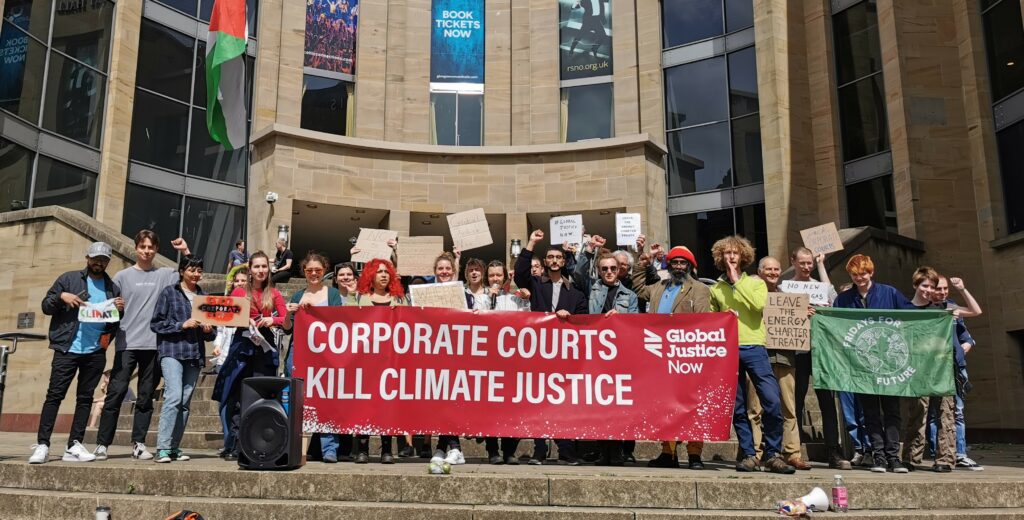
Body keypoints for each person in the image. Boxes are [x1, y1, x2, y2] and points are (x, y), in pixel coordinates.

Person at [94, 231, 190, 462]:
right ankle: (102, 444)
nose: (147, 251)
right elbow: (106, 307)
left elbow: (189, 272)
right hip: (127, 343)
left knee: (146, 397)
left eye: (151, 247)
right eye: (143, 246)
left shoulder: (165, 274)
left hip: (154, 345)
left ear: (156, 250)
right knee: (115, 393)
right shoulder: (121, 277)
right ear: (136, 248)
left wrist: (185, 251)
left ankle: (139, 443)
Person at [30, 242, 124, 464]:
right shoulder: (69, 279)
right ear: (87, 258)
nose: (99, 262)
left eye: (103, 259)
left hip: (94, 352)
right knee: (54, 395)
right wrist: (62, 296)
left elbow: (113, 323)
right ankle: (43, 444)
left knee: (85, 399)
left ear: (108, 262)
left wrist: (118, 313)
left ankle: (74, 445)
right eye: (95, 258)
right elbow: (46, 306)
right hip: (67, 348)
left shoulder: (113, 288)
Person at [708, 235, 795, 475]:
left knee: (772, 400)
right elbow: (712, 321)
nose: (731, 257)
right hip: (728, 351)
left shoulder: (756, 283)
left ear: (743, 256)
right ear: (720, 257)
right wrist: (722, 316)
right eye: (727, 253)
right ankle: (748, 454)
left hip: (754, 347)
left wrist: (737, 281)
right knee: (738, 407)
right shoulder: (715, 289)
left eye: (735, 253)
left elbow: (757, 306)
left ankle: (773, 453)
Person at [632, 243, 711, 470]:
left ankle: (694, 454)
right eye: (674, 262)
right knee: (665, 406)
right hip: (660, 356)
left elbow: (702, 322)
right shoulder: (659, 286)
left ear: (690, 266)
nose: (678, 266)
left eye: (682, 263)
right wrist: (642, 263)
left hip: (686, 357)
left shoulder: (699, 289)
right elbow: (638, 288)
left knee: (692, 405)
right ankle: (668, 452)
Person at [833, 254, 915, 473]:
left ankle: (893, 457)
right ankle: (878, 456)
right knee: (869, 412)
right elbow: (835, 325)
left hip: (890, 365)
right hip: (861, 365)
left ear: (871, 272)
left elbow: (912, 316)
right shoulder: (844, 299)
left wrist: (939, 315)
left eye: (863, 273)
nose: (859, 278)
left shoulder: (889, 292)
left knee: (891, 410)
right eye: (855, 274)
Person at [514, 229, 588, 465]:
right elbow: (519, 274)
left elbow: (585, 322)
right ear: (545, 262)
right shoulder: (535, 284)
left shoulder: (575, 293)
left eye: (558, 258)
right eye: (550, 258)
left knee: (562, 405)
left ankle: (565, 449)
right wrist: (531, 243)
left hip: (565, 358)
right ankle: (539, 449)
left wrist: (571, 319)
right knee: (538, 403)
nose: (554, 261)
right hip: (538, 354)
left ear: (564, 261)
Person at [777, 247, 850, 470]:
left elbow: (834, 298)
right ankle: (793, 450)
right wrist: (800, 311)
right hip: (797, 351)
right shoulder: (784, 288)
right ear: (793, 262)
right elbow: (780, 313)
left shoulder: (821, 287)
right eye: (803, 263)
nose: (807, 267)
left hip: (822, 351)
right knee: (795, 402)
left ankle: (833, 452)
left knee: (827, 402)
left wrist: (821, 263)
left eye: (810, 263)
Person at [213, 251, 287, 461]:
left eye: (264, 266)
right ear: (250, 269)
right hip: (241, 345)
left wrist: (272, 321)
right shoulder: (238, 292)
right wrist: (245, 320)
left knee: (261, 397)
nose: (261, 270)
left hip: (264, 347)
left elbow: (284, 317)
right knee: (236, 396)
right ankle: (235, 444)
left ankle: (257, 443)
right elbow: (227, 317)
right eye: (257, 267)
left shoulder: (274, 293)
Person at [742, 256, 812, 470]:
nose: (772, 272)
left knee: (788, 406)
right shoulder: (752, 295)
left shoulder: (787, 297)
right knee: (755, 408)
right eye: (768, 269)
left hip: (784, 356)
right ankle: (756, 452)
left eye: (776, 269)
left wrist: (803, 314)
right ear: (760, 271)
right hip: (757, 356)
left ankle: (792, 452)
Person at [573, 234, 638, 466]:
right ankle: (603, 451)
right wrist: (589, 250)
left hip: (619, 357)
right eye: (605, 269)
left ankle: (618, 451)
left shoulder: (629, 296)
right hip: (595, 355)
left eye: (613, 268)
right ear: (599, 271)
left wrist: (622, 319)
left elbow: (637, 324)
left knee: (619, 406)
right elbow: (579, 272)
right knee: (598, 406)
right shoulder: (592, 289)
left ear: (619, 271)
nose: (609, 272)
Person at [149, 256, 215, 463]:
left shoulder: (204, 297)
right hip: (171, 352)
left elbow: (211, 335)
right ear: (181, 271)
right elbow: (156, 324)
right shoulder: (169, 292)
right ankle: (163, 447)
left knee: (185, 403)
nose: (196, 274)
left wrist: (208, 329)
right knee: (174, 397)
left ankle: (174, 447)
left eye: (199, 270)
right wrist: (181, 325)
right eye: (192, 270)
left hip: (194, 354)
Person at [283, 253, 345, 462]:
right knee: (297, 398)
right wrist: (288, 313)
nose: (314, 273)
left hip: (326, 353)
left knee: (327, 399)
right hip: (298, 351)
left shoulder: (333, 294)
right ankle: (296, 446)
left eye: (318, 270)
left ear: (324, 270)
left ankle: (329, 448)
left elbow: (339, 322)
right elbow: (287, 329)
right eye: (309, 270)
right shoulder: (297, 295)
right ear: (304, 272)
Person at [347, 258, 409, 464]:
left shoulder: (399, 299)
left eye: (386, 271)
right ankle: (362, 448)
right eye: (379, 271)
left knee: (387, 406)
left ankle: (386, 449)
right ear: (370, 276)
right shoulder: (359, 297)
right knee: (364, 405)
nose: (383, 275)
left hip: (391, 361)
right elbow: (345, 320)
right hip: (365, 361)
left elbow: (410, 327)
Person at [900, 267, 957, 473]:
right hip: (917, 369)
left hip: (942, 367)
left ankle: (945, 458)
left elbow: (974, 311)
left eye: (932, 287)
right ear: (916, 285)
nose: (929, 290)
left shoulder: (942, 309)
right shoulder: (904, 309)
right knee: (917, 413)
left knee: (945, 413)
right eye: (925, 285)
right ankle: (910, 457)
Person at [929, 275, 983, 471]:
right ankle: (940, 453)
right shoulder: (926, 310)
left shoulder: (950, 306)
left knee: (958, 412)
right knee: (936, 415)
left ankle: (960, 453)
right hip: (935, 368)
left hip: (956, 367)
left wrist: (962, 288)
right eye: (938, 289)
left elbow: (976, 311)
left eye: (945, 289)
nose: (942, 292)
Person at [481, 260, 530, 464]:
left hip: (512, 363)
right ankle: (493, 450)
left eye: (498, 276)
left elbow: (528, 320)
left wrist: (526, 300)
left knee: (512, 408)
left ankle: (510, 450)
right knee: (489, 408)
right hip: (488, 362)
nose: (495, 279)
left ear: (504, 277)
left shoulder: (514, 300)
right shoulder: (482, 300)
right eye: (491, 275)